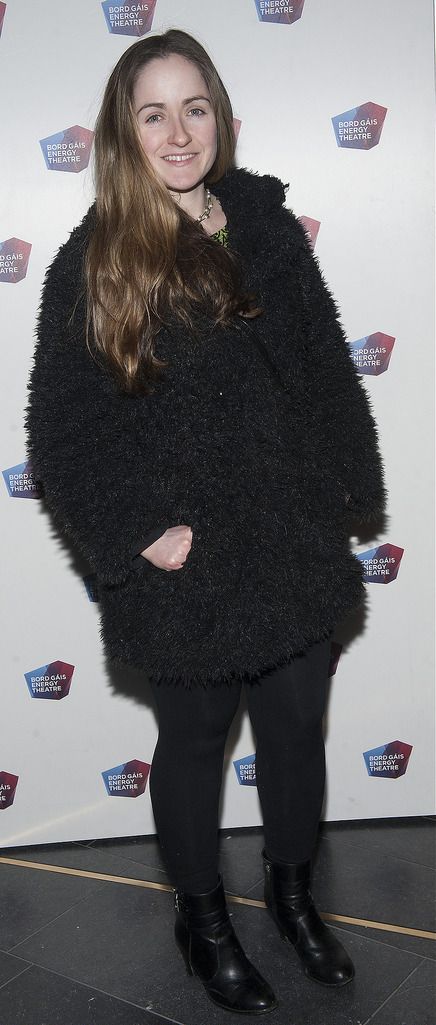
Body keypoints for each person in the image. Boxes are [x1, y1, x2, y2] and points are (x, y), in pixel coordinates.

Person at [25, 28, 387, 1016]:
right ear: (122, 132)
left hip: (290, 542)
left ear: (220, 117)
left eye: (195, 107)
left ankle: (292, 895)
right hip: (188, 562)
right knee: (190, 746)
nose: (179, 131)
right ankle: (204, 919)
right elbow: (61, 426)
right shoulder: (96, 257)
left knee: (295, 738)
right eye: (154, 113)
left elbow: (318, 367)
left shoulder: (263, 224)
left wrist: (343, 493)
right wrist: (136, 532)